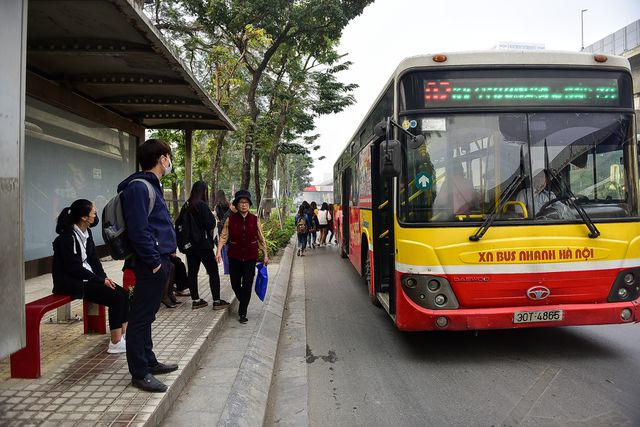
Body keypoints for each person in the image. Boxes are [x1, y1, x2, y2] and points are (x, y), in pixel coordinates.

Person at [119, 138, 179, 393]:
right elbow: (139, 229)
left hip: (159, 261)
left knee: (147, 316)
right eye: (168, 156)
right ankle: (139, 373)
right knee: (140, 318)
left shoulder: (151, 186)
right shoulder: (139, 188)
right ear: (161, 158)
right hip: (149, 264)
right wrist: (154, 261)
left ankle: (149, 361)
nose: (170, 161)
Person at [52, 199, 129, 354]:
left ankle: (124, 335)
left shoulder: (87, 233)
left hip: (87, 278)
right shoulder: (68, 238)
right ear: (84, 217)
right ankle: (115, 342)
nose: (95, 214)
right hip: (72, 282)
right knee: (116, 298)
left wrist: (105, 278)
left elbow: (94, 260)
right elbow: (74, 268)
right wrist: (100, 280)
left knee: (124, 294)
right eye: (93, 212)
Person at [216, 190, 269, 324]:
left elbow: (261, 238)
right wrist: (218, 252)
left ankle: (242, 312)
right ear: (237, 205)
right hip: (234, 256)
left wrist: (265, 254)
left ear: (249, 204)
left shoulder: (254, 219)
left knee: (247, 283)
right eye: (241, 202)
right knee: (235, 284)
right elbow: (223, 236)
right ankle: (244, 300)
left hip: (250, 256)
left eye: (246, 202)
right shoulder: (231, 219)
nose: (244, 205)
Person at [182, 181, 230, 310]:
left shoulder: (186, 205)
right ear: (204, 192)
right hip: (203, 245)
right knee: (213, 271)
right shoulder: (202, 205)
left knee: (192, 272)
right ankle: (216, 300)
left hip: (190, 247)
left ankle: (196, 300)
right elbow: (210, 224)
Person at [213, 189, 232, 275]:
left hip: (222, 230)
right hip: (230, 229)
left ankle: (226, 272)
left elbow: (219, 219)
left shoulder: (217, 206)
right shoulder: (229, 205)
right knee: (229, 250)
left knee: (224, 252)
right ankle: (231, 271)